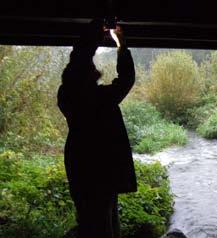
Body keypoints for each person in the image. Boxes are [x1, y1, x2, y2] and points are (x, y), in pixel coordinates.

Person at [58, 20, 137, 238]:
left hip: (79, 165)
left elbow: (78, 61)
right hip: (102, 169)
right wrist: (121, 44)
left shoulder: (66, 97)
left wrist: (92, 36)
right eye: (91, 67)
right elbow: (127, 78)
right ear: (86, 75)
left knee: (90, 216)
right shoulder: (101, 98)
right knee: (105, 220)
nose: (94, 66)